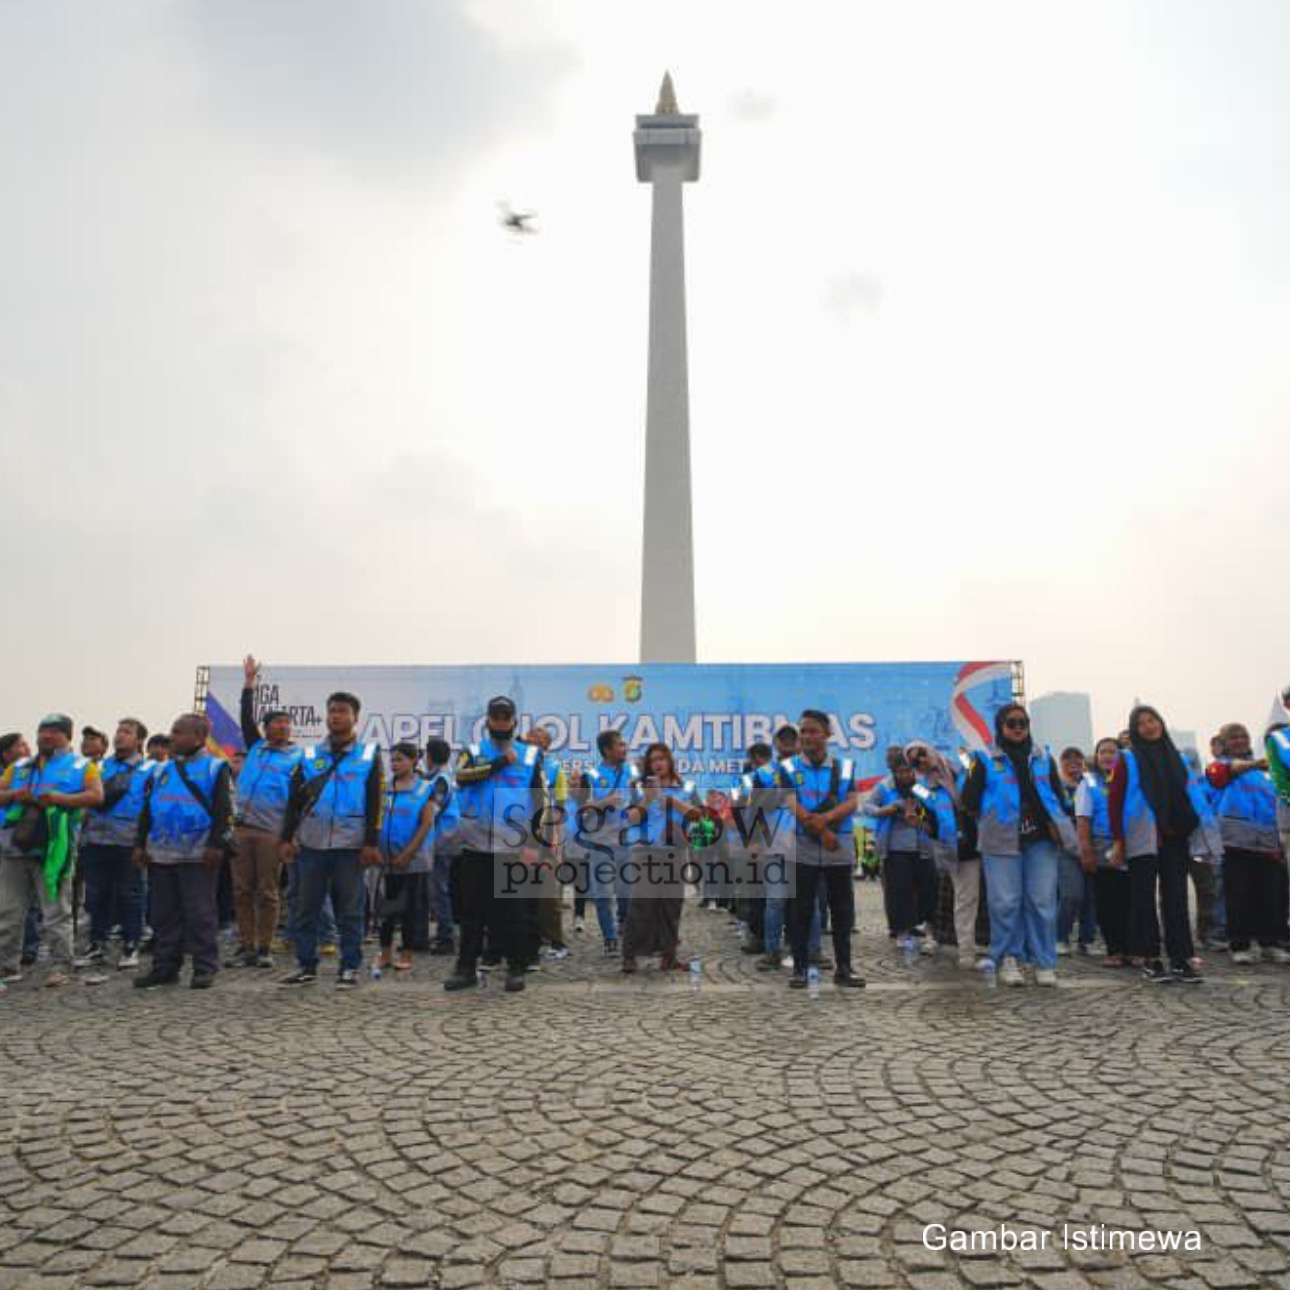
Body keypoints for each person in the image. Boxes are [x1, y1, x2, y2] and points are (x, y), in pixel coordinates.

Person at [960, 703, 1074, 988]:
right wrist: (989, 816)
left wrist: (1061, 822)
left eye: (1023, 722)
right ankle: (1008, 959)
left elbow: (1060, 796)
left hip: (1041, 840)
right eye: (1011, 723)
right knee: (1005, 903)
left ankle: (1044, 962)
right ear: (1000, 726)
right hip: (1000, 839)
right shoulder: (981, 757)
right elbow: (968, 799)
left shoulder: (1043, 757)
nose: (1018, 727)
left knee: (1042, 902)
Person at [278, 692, 384, 989]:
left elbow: (376, 801)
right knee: (306, 908)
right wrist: (286, 836)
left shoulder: (368, 755)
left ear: (355, 717)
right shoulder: (310, 755)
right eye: (332, 710)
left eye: (342, 711)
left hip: (350, 846)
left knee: (350, 910)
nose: (335, 716)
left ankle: (349, 967)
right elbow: (294, 800)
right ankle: (306, 966)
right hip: (312, 844)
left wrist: (371, 843)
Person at [444, 697, 549, 994]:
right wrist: (500, 762)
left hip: (513, 847)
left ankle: (516, 969)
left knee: (514, 913)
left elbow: (541, 801)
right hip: (475, 845)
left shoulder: (531, 755)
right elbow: (461, 778)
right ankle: (466, 968)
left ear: (514, 720)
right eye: (496, 717)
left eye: (506, 716)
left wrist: (534, 843)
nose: (501, 722)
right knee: (472, 912)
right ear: (488, 720)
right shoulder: (474, 751)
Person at [0, 715, 103, 987]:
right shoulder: (19, 766)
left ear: (68, 736)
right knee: (8, 910)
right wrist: (13, 795)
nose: (45, 735)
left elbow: (96, 796)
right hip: (14, 847)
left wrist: (59, 798)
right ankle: (6, 966)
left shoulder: (82, 766)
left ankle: (61, 966)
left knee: (56, 911)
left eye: (54, 731)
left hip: (55, 850)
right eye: (42, 730)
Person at [132, 714, 234, 990]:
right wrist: (140, 844)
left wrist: (216, 845)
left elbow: (224, 809)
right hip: (161, 853)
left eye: (178, 732)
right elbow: (147, 809)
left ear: (198, 737)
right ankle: (165, 968)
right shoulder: (160, 770)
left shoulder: (216, 767)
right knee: (163, 914)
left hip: (198, 854)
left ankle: (204, 968)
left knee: (200, 912)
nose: (172, 737)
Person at [1108, 705, 1203, 984]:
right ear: (1135, 730)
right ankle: (1150, 959)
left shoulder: (1178, 757)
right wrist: (1118, 840)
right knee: (1143, 899)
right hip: (1143, 835)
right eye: (1142, 724)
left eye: (1153, 720)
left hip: (1175, 835)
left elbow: (1191, 794)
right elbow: (1115, 801)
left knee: (1176, 898)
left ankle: (1181, 958)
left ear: (1161, 722)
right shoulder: (1127, 758)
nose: (1149, 727)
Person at [780, 709, 866, 990]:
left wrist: (826, 820)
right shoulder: (789, 767)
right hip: (804, 846)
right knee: (801, 911)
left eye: (813, 731)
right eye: (803, 731)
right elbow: (790, 802)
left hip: (837, 847)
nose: (806, 736)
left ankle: (844, 968)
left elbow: (852, 801)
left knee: (842, 910)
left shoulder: (845, 768)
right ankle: (800, 969)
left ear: (827, 734)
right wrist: (819, 828)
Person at [229, 655, 304, 969]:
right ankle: (246, 945)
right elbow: (245, 717)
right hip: (242, 828)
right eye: (277, 722)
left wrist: (291, 836)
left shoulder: (299, 757)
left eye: (287, 722)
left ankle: (264, 947)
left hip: (273, 832)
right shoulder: (256, 747)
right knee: (241, 890)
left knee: (268, 891)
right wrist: (249, 684)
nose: (283, 726)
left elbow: (300, 801)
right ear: (266, 727)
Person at [76, 718, 154, 972]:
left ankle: (131, 944)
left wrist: (145, 842)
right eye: (119, 731)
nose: (120, 736)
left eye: (127, 732)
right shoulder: (100, 767)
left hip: (128, 840)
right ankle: (97, 945)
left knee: (130, 894)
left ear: (139, 740)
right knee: (96, 895)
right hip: (96, 839)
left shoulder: (150, 769)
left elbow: (152, 807)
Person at [1207, 722, 1286, 965]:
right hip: (1235, 843)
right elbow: (1224, 774)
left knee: (1270, 896)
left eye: (1244, 736)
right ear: (1223, 742)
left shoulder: (1266, 773)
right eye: (1233, 737)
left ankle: (1270, 943)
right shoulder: (1217, 766)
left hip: (1267, 842)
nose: (1240, 740)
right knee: (1238, 896)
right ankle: (1239, 945)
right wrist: (1255, 764)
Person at [620, 742, 701, 974]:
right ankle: (629, 955)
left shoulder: (686, 786)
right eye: (653, 760)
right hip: (645, 852)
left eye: (662, 759)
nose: (658, 763)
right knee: (641, 903)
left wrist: (674, 803)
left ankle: (669, 956)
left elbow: (700, 817)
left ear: (670, 761)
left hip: (675, 852)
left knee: (671, 905)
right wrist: (647, 800)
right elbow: (631, 819)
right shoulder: (637, 787)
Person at [570, 729, 639, 956]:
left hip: (626, 842)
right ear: (607, 749)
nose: (624, 749)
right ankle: (610, 939)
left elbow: (639, 803)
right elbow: (581, 811)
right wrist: (603, 803)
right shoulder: (590, 776)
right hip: (600, 844)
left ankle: (624, 926)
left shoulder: (632, 772)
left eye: (624, 744)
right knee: (603, 893)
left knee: (626, 892)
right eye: (620, 745)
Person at [864, 757, 939, 955]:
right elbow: (867, 806)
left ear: (914, 772)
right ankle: (902, 933)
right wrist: (886, 810)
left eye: (908, 771)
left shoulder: (922, 787)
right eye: (900, 772)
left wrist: (917, 813)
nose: (905, 775)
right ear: (894, 772)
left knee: (929, 891)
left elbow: (934, 807)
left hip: (923, 847)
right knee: (898, 893)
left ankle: (930, 933)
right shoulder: (884, 787)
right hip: (895, 848)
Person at [376, 742, 438, 971]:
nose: (395, 764)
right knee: (387, 910)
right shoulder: (384, 787)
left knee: (410, 909)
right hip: (387, 859)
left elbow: (426, 824)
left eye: (400, 759)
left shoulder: (426, 788)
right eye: (392, 760)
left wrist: (408, 853)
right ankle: (385, 954)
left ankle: (407, 954)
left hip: (413, 859)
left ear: (413, 761)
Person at [1077, 738, 1131, 967]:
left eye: (1113, 752)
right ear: (1096, 756)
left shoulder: (1130, 780)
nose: (1108, 756)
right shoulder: (1089, 782)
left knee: (1131, 900)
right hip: (1102, 845)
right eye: (1103, 752)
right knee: (1108, 901)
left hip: (1131, 846)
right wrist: (1086, 850)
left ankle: (1133, 948)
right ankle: (1114, 949)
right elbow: (1083, 819)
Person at [1056, 746, 1098, 957]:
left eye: (1077, 758)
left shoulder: (1091, 784)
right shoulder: (1057, 786)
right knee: (1071, 894)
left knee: (1091, 896)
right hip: (1066, 847)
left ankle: (1086, 939)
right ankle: (1060, 937)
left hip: (1092, 845)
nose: (1073, 761)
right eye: (1067, 758)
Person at [423, 738, 460, 955]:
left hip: (442, 841)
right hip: (447, 839)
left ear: (429, 757)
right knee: (440, 889)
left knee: (439, 890)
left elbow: (433, 811)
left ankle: (446, 937)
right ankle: (443, 933)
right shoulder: (446, 777)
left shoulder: (440, 780)